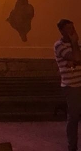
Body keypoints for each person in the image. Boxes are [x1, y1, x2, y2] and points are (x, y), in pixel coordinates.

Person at [56, 19, 81, 151]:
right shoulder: (59, 45)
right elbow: (76, 58)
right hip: (71, 86)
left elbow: (77, 59)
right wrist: (74, 43)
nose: (72, 31)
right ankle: (72, 146)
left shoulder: (78, 45)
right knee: (74, 117)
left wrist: (75, 61)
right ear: (61, 31)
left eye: (73, 27)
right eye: (69, 28)